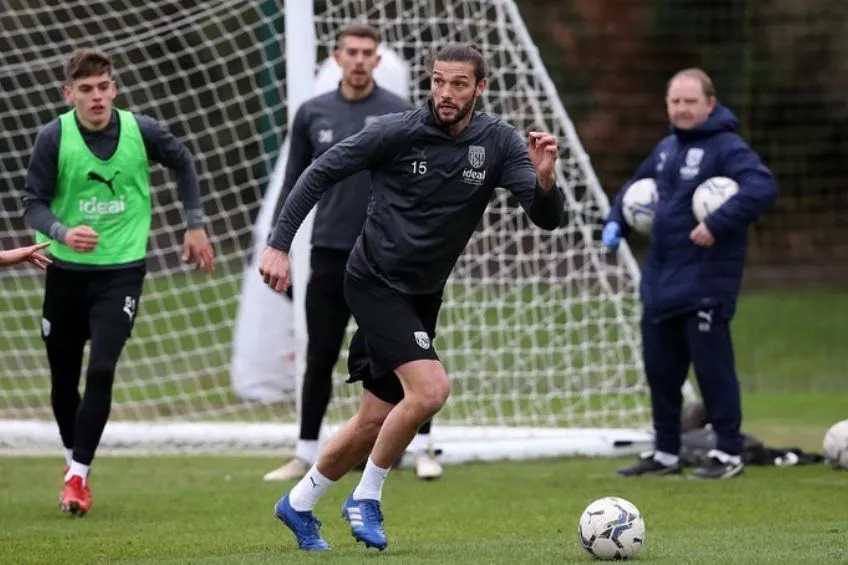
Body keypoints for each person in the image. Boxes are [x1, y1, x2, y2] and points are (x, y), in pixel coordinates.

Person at [259, 42, 565, 552]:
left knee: (374, 420)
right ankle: (367, 496)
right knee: (430, 392)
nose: (446, 93)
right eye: (439, 81)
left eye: (459, 84)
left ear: (480, 88)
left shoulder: (500, 142)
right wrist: (278, 244)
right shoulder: (394, 131)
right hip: (373, 279)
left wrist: (545, 178)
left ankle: (299, 502)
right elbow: (318, 173)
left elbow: (547, 218)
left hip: (423, 294)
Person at [22, 48, 215, 516]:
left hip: (122, 271)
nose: (96, 97)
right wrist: (63, 232)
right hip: (65, 272)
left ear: (114, 87)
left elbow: (184, 161)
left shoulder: (140, 130)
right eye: (85, 90)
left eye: (103, 87)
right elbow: (33, 204)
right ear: (69, 94)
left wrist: (194, 223)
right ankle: (76, 464)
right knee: (64, 380)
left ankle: (77, 476)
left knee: (102, 369)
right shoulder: (54, 137)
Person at [262, 23, 442, 484]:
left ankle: (423, 448)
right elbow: (294, 181)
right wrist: (278, 245)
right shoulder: (311, 114)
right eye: (352, 52)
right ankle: (305, 452)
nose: (360, 59)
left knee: (409, 351)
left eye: (368, 52)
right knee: (319, 353)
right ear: (337, 57)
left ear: (378, 60)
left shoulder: (397, 113)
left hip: (387, 260)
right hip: (329, 253)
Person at [602, 68, 777, 480]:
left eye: (690, 102)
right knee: (660, 372)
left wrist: (717, 223)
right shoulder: (666, 149)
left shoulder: (727, 149)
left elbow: (762, 187)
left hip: (705, 286)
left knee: (713, 371)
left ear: (710, 104)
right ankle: (665, 452)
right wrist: (616, 222)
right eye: (675, 102)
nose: (681, 109)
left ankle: (729, 452)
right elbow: (635, 189)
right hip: (660, 285)